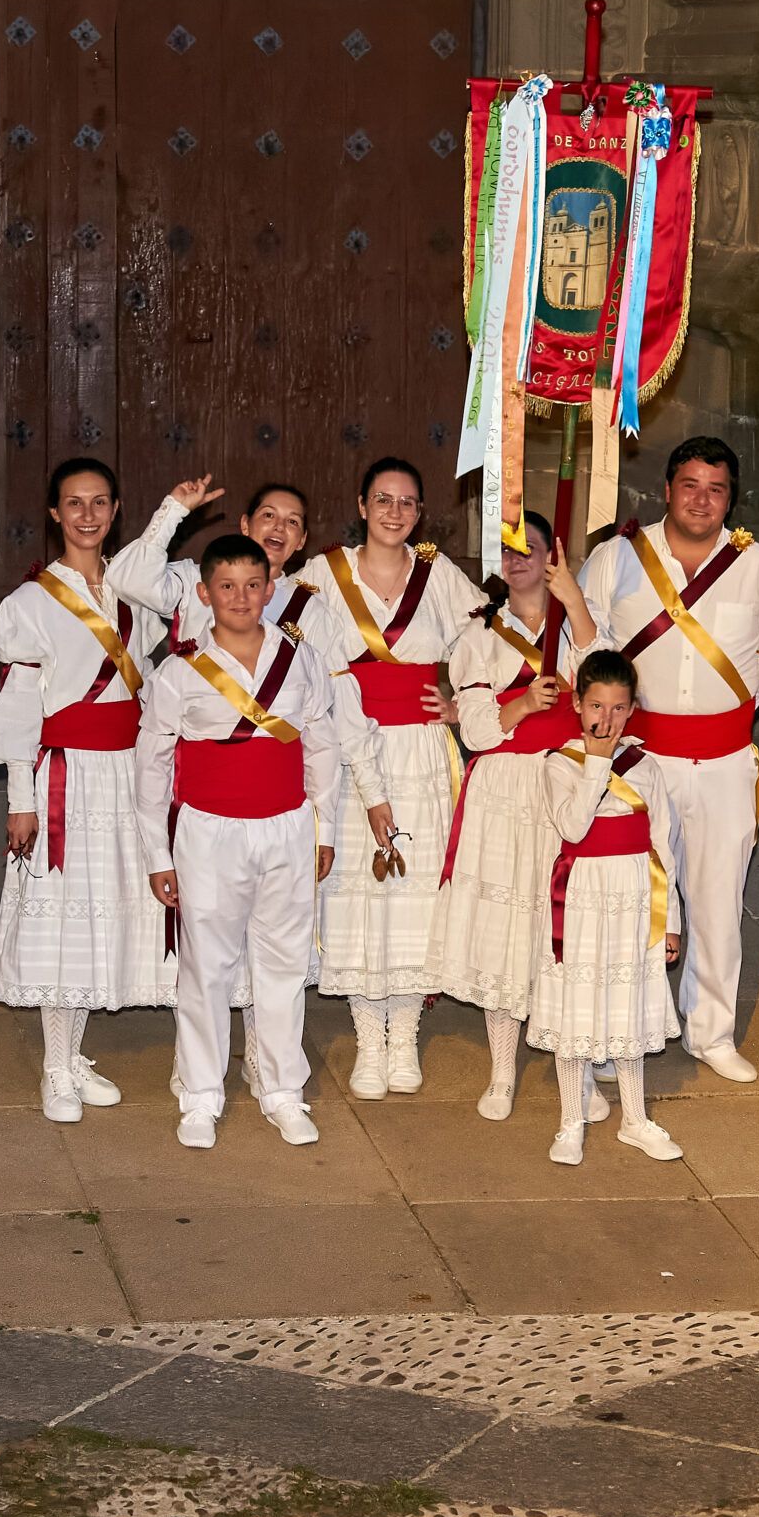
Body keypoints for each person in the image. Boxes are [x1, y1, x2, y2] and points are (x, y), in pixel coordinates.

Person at [578, 438, 759, 1083]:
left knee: (717, 898)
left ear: (732, 497)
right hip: (640, 761)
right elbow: (587, 648)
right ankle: (624, 1034)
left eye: (716, 488)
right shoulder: (616, 558)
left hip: (724, 760)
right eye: (690, 485)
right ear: (666, 489)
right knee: (634, 899)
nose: (702, 499)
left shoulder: (758, 567)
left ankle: (711, 1032)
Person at [137, 534, 345, 1150]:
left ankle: (281, 1088)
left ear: (270, 590)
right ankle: (200, 1093)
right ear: (204, 594)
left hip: (285, 827)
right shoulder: (177, 672)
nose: (240, 598)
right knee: (208, 967)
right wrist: (157, 853)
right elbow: (151, 768)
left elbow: (322, 744)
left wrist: (323, 826)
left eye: (253, 585)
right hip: (209, 833)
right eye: (226, 586)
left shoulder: (299, 658)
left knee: (283, 963)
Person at [0, 458, 168, 1123]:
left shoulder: (133, 596)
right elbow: (20, 713)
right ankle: (55, 1068)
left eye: (99, 503)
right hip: (64, 778)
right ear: (55, 515)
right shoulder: (30, 605)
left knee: (104, 914)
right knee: (62, 917)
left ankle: (76, 1054)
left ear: (116, 510)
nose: (87, 515)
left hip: (124, 774)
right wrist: (21, 800)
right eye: (73, 504)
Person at [294, 457, 476, 1099]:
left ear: (420, 512)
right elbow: (291, 655)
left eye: (407, 503)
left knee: (415, 896)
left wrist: (467, 705)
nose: (395, 512)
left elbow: (490, 648)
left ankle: (406, 1039)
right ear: (362, 505)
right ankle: (368, 1041)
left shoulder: (441, 575)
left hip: (424, 755)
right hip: (351, 755)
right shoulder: (322, 574)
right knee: (357, 896)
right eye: (383, 500)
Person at [426, 511, 605, 1119]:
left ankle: (576, 1076)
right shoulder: (479, 638)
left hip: (565, 781)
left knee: (563, 929)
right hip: (504, 790)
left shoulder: (574, 629)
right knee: (507, 933)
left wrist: (574, 600)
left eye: (531, 548)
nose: (519, 558)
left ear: (552, 555)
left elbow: (606, 683)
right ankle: (502, 1072)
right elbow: (476, 732)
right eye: (509, 550)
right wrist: (526, 703)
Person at [530, 651, 686, 1166]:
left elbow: (664, 846)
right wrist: (597, 759)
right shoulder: (559, 763)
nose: (607, 719)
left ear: (632, 710)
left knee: (629, 1000)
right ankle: (570, 1119)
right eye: (596, 706)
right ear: (577, 704)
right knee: (578, 1002)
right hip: (581, 897)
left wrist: (671, 922)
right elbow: (573, 827)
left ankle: (636, 1120)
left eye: (619, 709)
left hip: (636, 896)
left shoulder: (648, 766)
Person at [109, 476, 321, 649]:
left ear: (302, 540)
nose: (279, 527)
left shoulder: (310, 608)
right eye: (268, 515)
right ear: (245, 525)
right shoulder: (196, 580)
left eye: (292, 521)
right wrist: (173, 510)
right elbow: (130, 582)